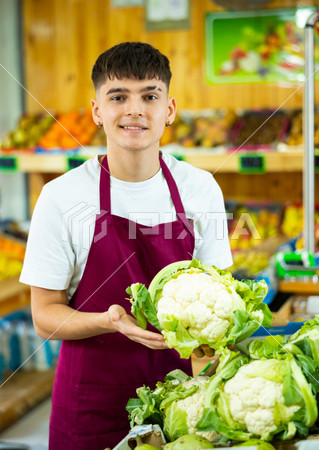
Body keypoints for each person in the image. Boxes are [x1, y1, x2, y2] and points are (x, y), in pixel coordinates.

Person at [20, 42, 233, 449]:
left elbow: (218, 316)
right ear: (98, 111)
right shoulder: (61, 196)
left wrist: (209, 393)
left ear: (168, 110)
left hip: (181, 402)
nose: (134, 110)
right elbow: (44, 316)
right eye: (118, 97)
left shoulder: (201, 189)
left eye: (149, 96)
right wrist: (108, 320)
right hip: (91, 405)